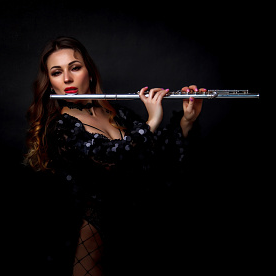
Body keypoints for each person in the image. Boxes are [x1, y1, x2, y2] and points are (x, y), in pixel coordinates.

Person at [24, 36, 204, 275]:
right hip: (92, 244)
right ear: (50, 82)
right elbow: (112, 158)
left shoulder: (115, 112)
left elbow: (154, 158)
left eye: (75, 68)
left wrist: (186, 120)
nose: (67, 78)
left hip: (133, 235)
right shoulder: (59, 127)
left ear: (89, 71)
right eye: (57, 73)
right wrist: (151, 121)